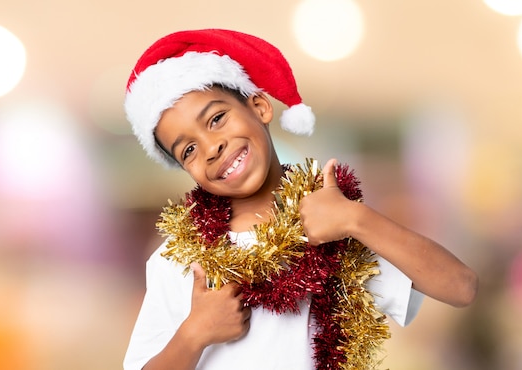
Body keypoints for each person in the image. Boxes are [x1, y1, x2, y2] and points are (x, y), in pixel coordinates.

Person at [122, 29, 478, 370]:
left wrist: (356, 219)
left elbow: (461, 287)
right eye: (188, 149)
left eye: (216, 118)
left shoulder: (335, 229)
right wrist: (193, 334)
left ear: (259, 106)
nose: (211, 147)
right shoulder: (180, 258)